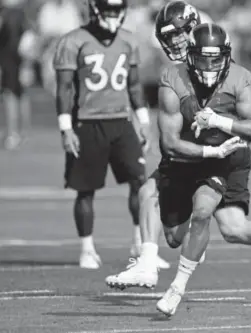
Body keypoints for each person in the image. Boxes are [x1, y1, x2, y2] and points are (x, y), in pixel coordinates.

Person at [107, 22, 251, 318]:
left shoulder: (239, 79)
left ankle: (174, 287)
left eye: (216, 59)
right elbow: (170, 144)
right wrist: (209, 148)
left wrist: (219, 122)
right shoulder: (173, 78)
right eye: (203, 58)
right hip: (195, 155)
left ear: (226, 56)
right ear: (191, 56)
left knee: (201, 211)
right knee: (222, 228)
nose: (209, 66)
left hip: (227, 158)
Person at [105, 0, 224, 288]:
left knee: (150, 191)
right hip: (185, 147)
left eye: (180, 34)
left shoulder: (211, 59)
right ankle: (156, 259)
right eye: (170, 37)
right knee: (172, 236)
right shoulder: (175, 68)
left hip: (213, 152)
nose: (176, 41)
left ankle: (149, 262)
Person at [53, 0, 152, 269]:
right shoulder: (73, 41)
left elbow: (134, 85)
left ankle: (141, 245)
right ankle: (87, 249)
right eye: (107, 9)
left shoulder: (128, 40)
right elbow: (63, 89)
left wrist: (143, 120)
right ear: (95, 9)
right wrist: (66, 128)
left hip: (121, 121)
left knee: (141, 184)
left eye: (116, 10)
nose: (112, 15)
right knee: (85, 190)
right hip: (87, 123)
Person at [0, 0, 32, 150]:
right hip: (18, 57)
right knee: (20, 95)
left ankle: (13, 133)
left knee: (11, 94)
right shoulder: (22, 14)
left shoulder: (9, 14)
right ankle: (21, 133)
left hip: (10, 59)